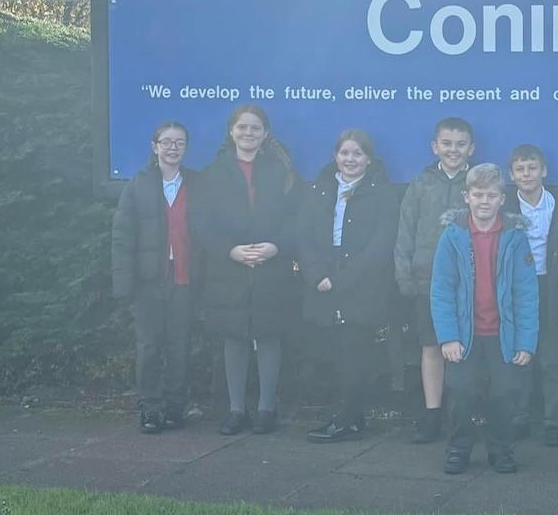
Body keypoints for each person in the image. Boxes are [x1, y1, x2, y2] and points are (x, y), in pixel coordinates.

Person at [191, 104, 297, 436]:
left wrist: (276, 246)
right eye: (242, 127)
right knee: (234, 336)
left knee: (268, 334)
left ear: (266, 134)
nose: (248, 133)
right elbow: (201, 223)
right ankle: (236, 410)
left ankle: (266, 410)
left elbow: (297, 219)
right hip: (229, 268)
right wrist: (230, 250)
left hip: (271, 266)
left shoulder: (281, 172)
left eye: (255, 128)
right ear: (231, 131)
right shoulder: (213, 173)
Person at [430, 163, 537, 475]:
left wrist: (526, 341)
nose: (484, 201)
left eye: (491, 195)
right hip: (465, 334)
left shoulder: (516, 238)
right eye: (478, 195)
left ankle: (500, 449)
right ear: (466, 197)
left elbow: (526, 293)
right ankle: (458, 449)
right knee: (460, 393)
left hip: (504, 334)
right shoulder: (452, 237)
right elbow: (441, 291)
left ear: (502, 199)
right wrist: (448, 337)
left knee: (505, 395)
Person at [298, 130, 399, 443]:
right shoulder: (320, 188)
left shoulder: (383, 193)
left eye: (357, 153)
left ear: (369, 159)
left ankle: (348, 420)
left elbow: (381, 245)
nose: (350, 159)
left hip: (362, 284)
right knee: (332, 353)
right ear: (335, 156)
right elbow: (303, 235)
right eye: (344, 153)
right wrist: (316, 273)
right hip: (322, 280)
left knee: (356, 353)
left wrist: (341, 280)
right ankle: (347, 417)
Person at [111, 121, 197, 433]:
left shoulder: (196, 184)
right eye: (167, 142)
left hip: (184, 278)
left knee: (179, 346)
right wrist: (124, 284)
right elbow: (122, 236)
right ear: (155, 147)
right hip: (149, 280)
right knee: (149, 346)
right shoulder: (138, 185)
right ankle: (150, 408)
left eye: (179, 142)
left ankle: (174, 408)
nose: (173, 148)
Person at [395, 116, 476, 444]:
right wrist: (404, 275)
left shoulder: (479, 182)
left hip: (468, 283)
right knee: (431, 346)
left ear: (472, 148)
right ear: (435, 147)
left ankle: (462, 414)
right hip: (426, 280)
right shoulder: (421, 183)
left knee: (464, 348)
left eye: (460, 144)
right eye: (447, 143)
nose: (453, 150)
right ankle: (432, 414)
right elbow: (405, 231)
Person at [508, 144, 558, 447]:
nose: (527, 174)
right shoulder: (504, 209)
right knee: (520, 354)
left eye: (532, 168)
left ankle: (553, 421)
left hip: (551, 287)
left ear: (544, 171)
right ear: (511, 175)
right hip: (518, 288)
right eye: (520, 169)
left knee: (553, 358)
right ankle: (519, 417)